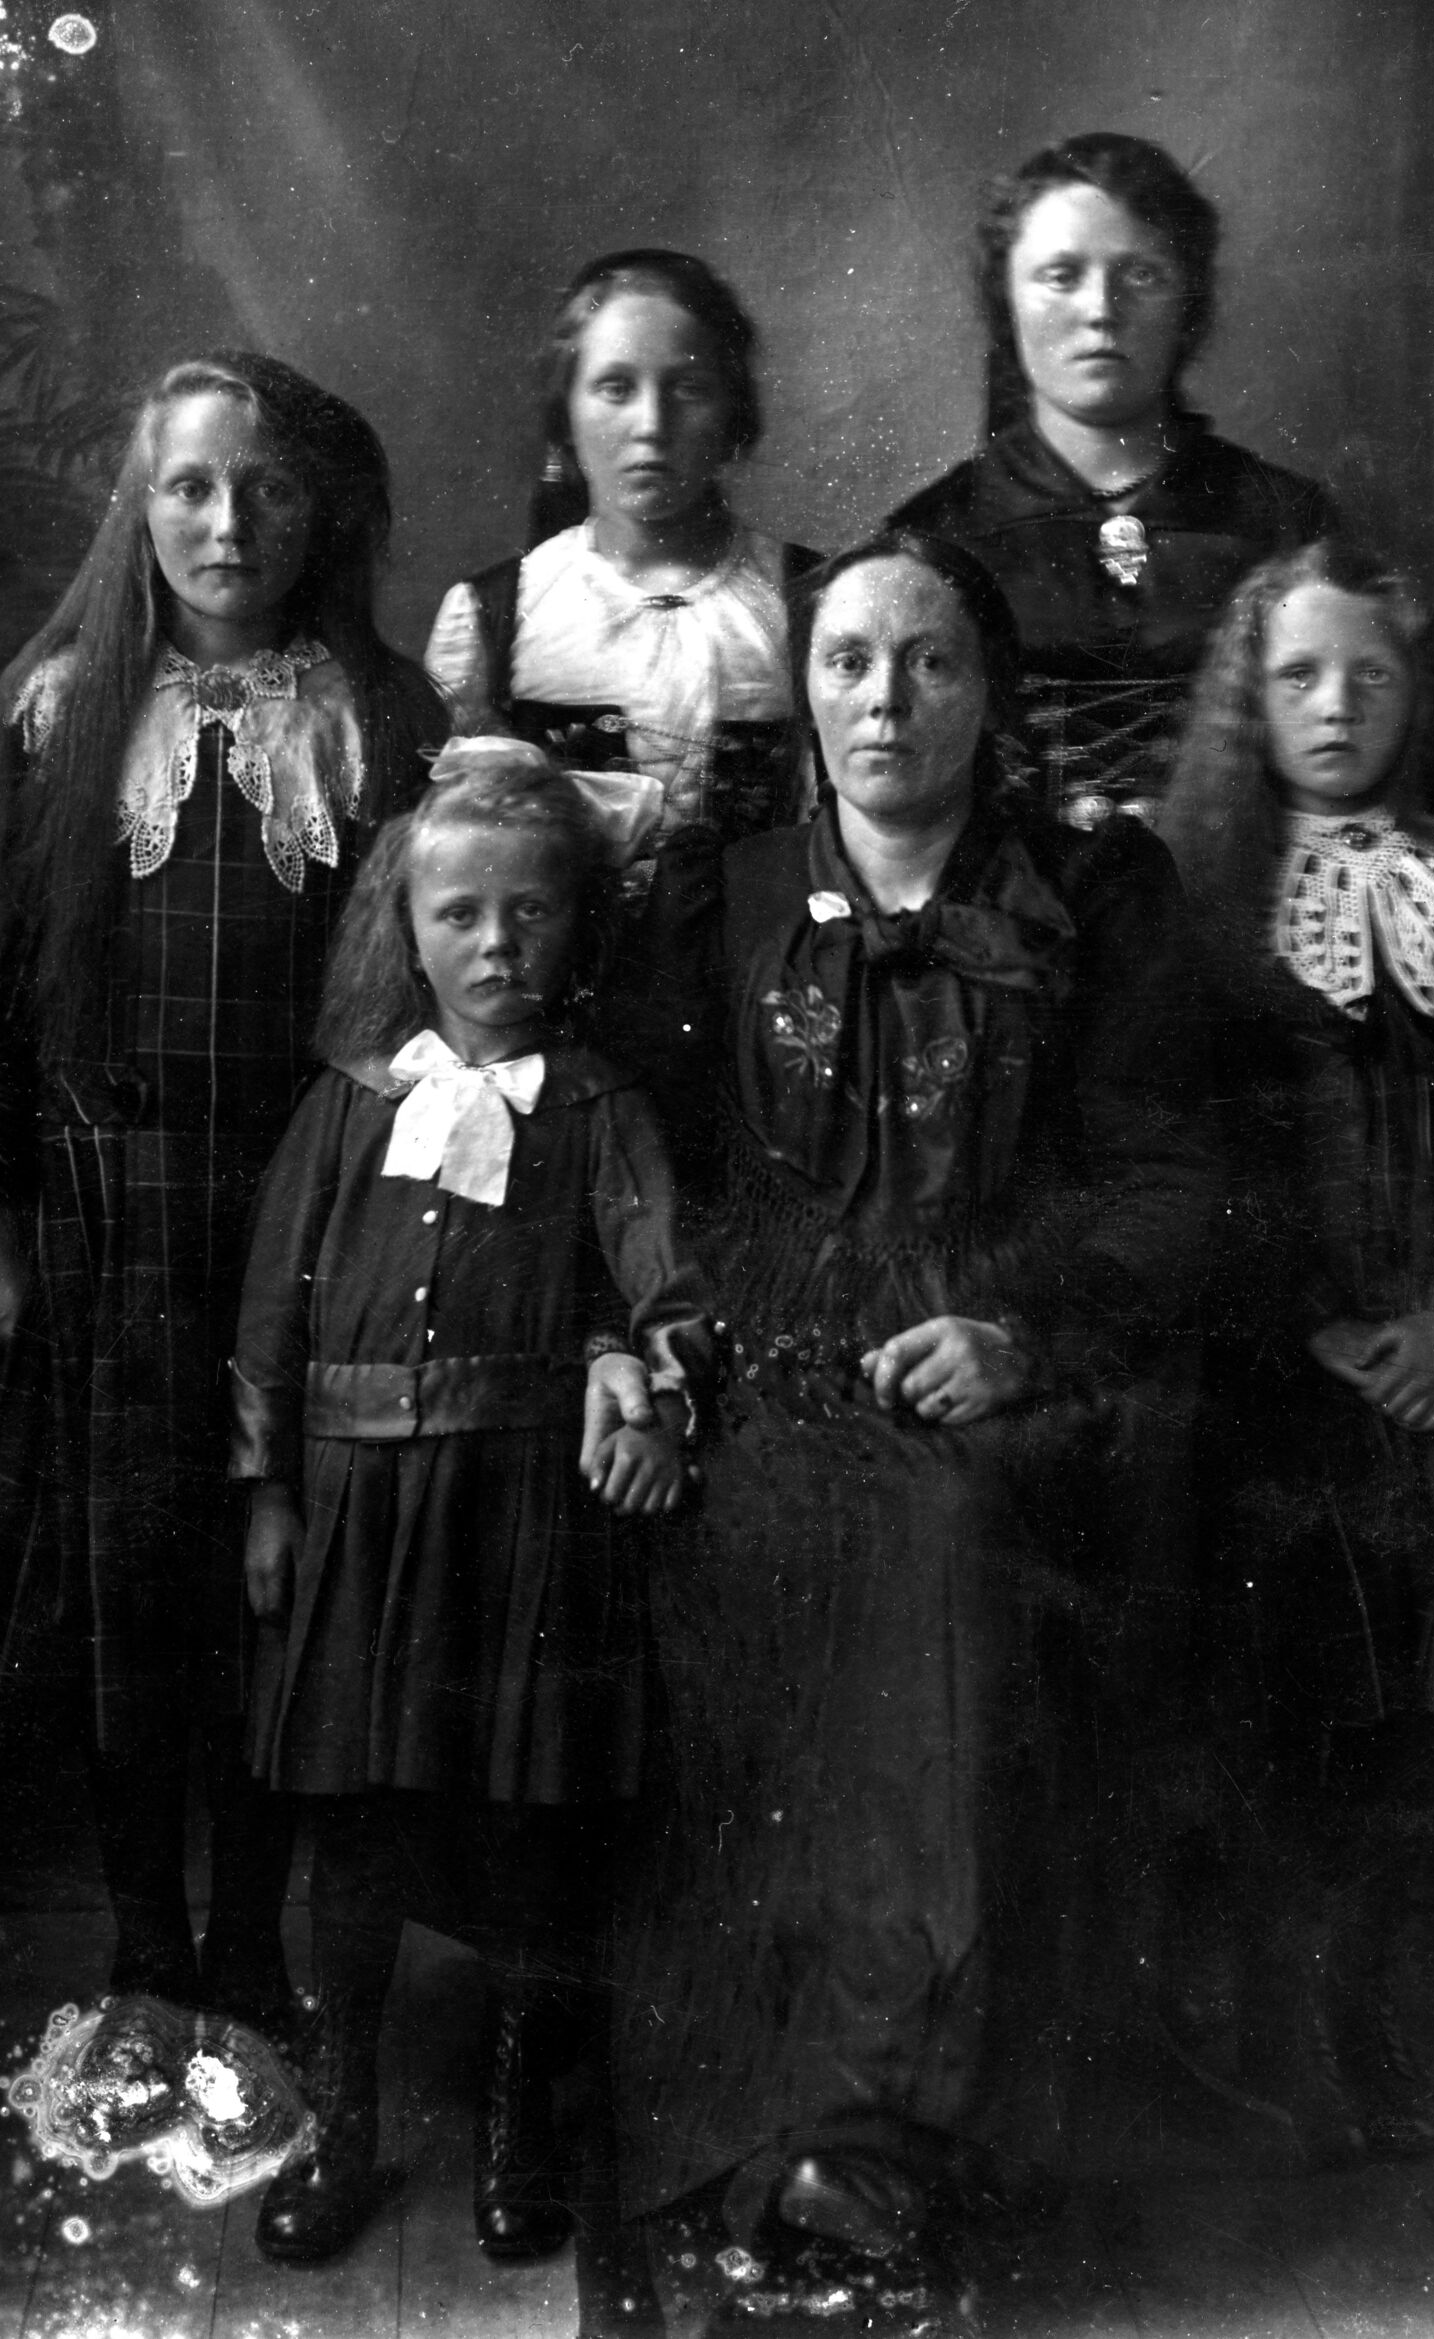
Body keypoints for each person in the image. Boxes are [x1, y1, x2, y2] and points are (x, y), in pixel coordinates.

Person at [598, 530, 1215, 2322]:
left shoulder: (1092, 898)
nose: (886, 699)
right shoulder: (722, 895)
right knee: (727, 1548)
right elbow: (639, 1156)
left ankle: (888, 2133)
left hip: (1001, 1361)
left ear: (989, 692)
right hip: (767, 1352)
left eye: (930, 662)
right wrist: (636, 1338)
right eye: (850, 661)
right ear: (805, 690)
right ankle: (755, 2124)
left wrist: (1025, 1334)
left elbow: (1176, 1180)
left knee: (940, 1557)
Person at [0, 352, 445, 2026]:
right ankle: (142, 1936)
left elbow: (413, 998)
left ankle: (252, 1934)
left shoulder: (377, 716)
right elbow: (5, 989)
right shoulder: (58, 713)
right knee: (126, 1586)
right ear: (142, 506)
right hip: (107, 1213)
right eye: (189, 485)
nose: (227, 521)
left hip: (299, 1212)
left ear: (317, 510)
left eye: (264, 487)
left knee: (278, 1581)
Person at [230, 741, 711, 2265]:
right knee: (354, 1830)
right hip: (358, 1513)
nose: (497, 944)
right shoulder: (349, 1102)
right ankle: (342, 2121)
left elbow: (669, 1285)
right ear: (408, 925)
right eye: (460, 914)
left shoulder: (600, 1104)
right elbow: (271, 1313)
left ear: (577, 922)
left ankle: (520, 2123)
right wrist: (268, 1493)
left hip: (527, 1517)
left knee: (529, 1827)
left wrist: (651, 1385)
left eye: (531, 911)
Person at [1158, 539, 1434, 2164]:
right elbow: (1182, 1156)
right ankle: (1251, 2011)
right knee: (1276, 1693)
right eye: (1299, 674)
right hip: (1269, 1376)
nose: (1336, 705)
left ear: (1418, 694)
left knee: (1409, 1717)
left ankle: (1357, 2001)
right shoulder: (1198, 895)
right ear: (1248, 697)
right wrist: (1298, 1319)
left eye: (1372, 675)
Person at [891, 132, 1334, 831]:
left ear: (1189, 302)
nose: (1101, 309)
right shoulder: (933, 536)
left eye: (1142, 275)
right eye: (1061, 275)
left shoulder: (1286, 521)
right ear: (1006, 301)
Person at [426, 247, 813, 855]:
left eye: (688, 388)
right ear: (566, 412)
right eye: (616, 388)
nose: (651, 424)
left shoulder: (811, 595)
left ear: (732, 409)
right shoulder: (492, 615)